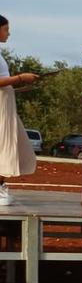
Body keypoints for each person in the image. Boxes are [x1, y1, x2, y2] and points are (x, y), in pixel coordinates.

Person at [0, 15, 40, 205]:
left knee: (11, 144)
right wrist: (21, 78)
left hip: (6, 104)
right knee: (3, 145)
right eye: (6, 29)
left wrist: (18, 87)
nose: (9, 33)